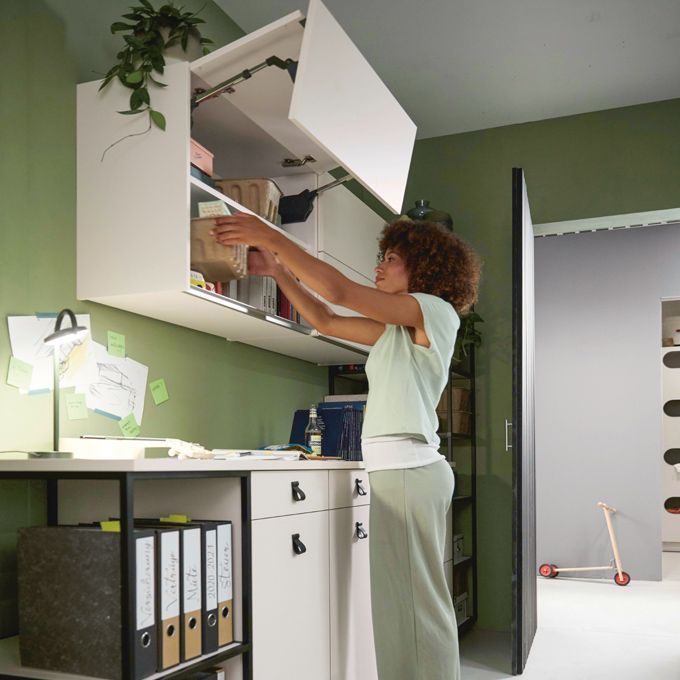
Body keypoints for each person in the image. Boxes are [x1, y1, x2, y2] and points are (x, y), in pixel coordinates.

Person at [212, 213, 481, 680]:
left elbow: (338, 292)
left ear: (423, 269)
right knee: (402, 609)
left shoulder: (434, 311)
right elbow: (325, 317)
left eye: (391, 259)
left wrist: (269, 236)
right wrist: (278, 271)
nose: (379, 267)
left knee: (417, 611)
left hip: (409, 474)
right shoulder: (395, 333)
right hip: (399, 475)